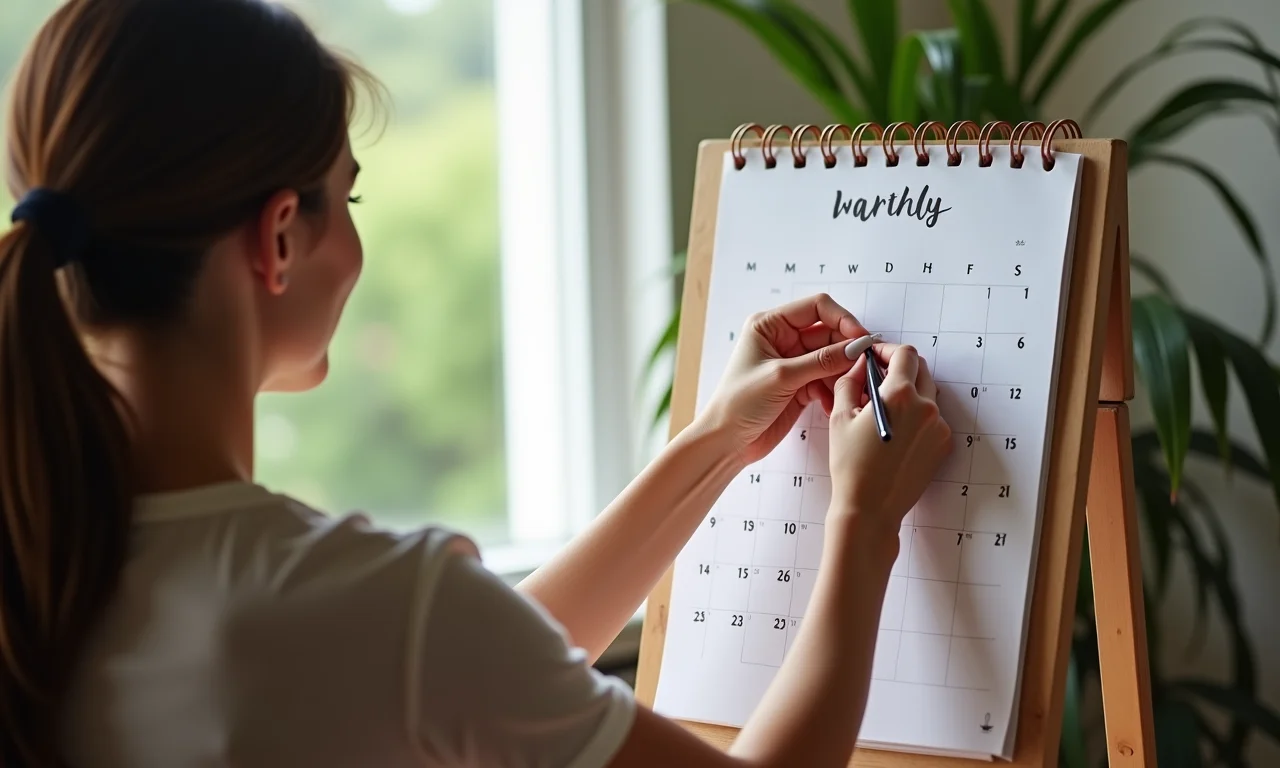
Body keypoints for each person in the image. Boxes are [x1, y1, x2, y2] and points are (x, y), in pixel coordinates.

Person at [0, 1, 953, 766]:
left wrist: (710, 444)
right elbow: (441, 650)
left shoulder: (50, 562)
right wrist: (862, 524)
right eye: (351, 197)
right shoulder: (369, 607)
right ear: (279, 236)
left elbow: (475, 658)